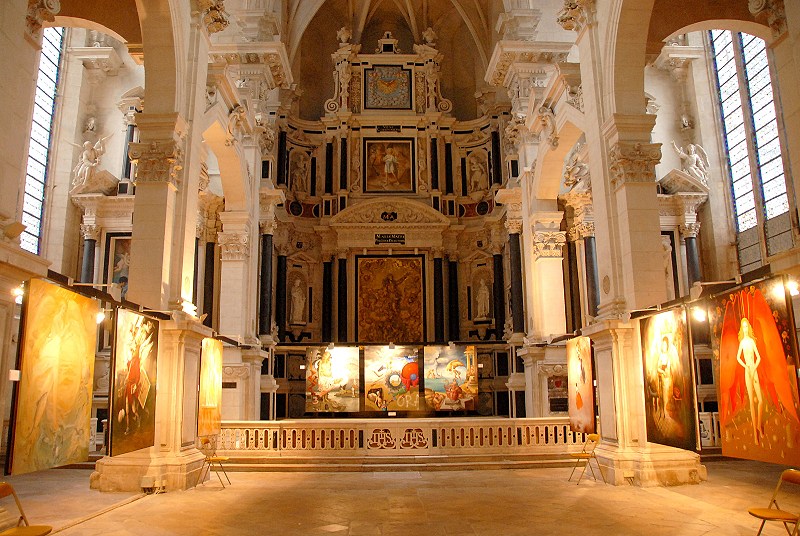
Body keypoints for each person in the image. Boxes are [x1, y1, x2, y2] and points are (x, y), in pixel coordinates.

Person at [736, 317, 765, 443]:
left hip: (753, 369)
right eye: (743, 327)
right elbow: (738, 357)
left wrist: (753, 368)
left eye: (746, 326)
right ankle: (755, 433)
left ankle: (759, 425)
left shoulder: (752, 342)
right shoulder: (742, 342)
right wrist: (746, 367)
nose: (745, 328)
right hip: (748, 370)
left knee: (760, 400)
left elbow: (758, 357)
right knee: (752, 402)